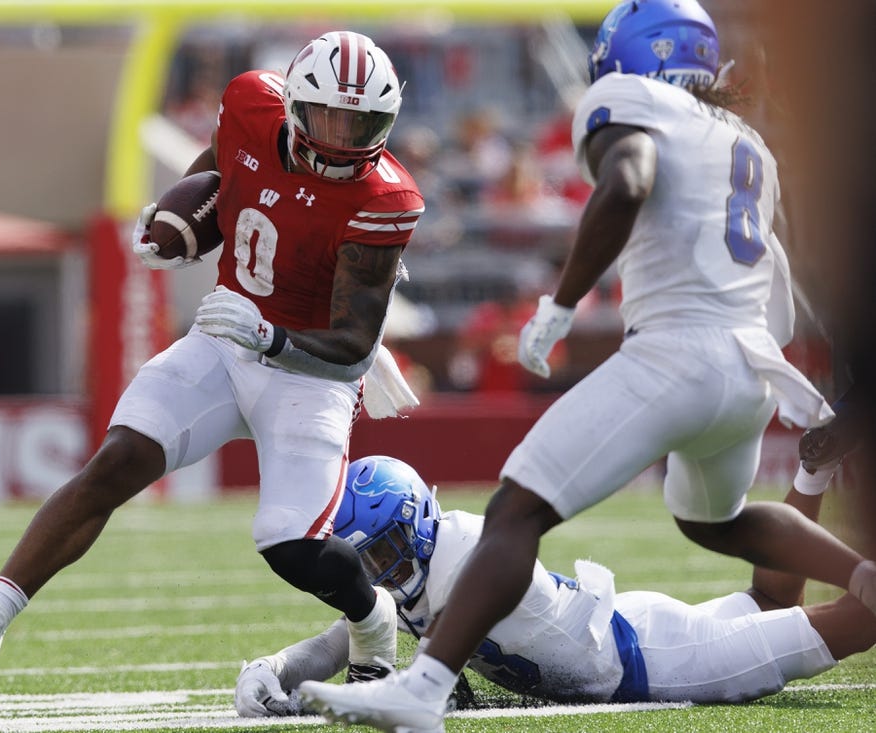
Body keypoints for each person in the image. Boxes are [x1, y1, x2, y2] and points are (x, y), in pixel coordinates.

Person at [298, 3, 876, 731]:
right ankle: (862, 571)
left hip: (678, 353)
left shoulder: (626, 100)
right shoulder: (744, 139)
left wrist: (562, 304)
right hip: (750, 363)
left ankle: (423, 691)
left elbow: (628, 180)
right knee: (715, 519)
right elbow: (781, 280)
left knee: (517, 509)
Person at [0, 30, 424, 685]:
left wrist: (269, 336)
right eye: (331, 116)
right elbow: (221, 166)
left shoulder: (386, 198)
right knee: (116, 460)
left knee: (288, 543)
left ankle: (371, 618)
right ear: (295, 104)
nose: (345, 136)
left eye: (363, 123)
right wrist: (175, 222)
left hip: (311, 371)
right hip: (222, 342)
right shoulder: (250, 104)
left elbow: (353, 346)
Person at [239, 456, 873, 717]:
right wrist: (275, 668)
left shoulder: (462, 560)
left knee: (859, 618)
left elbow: (397, 678)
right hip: (629, 624)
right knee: (768, 606)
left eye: (382, 552)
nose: (378, 572)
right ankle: (815, 469)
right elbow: (347, 632)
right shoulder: (426, 566)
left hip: (659, 662)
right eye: (366, 559)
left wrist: (324, 695)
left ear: (416, 524)